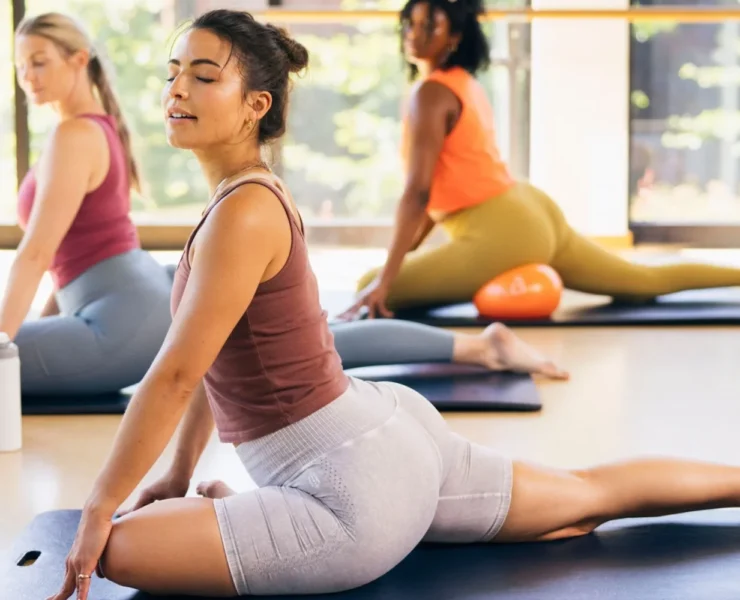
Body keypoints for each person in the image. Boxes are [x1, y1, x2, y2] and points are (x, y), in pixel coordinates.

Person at [48, 10, 740, 600]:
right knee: (588, 495)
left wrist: (100, 507)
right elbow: (210, 356)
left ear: (257, 105)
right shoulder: (245, 196)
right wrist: (175, 472)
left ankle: (286, 518)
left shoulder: (243, 213)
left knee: (118, 552)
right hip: (388, 432)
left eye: (204, 76)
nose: (177, 89)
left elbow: (170, 376)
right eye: (174, 72)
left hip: (349, 490)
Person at [341, 0, 740, 320]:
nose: (414, 34)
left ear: (455, 36)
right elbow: (435, 197)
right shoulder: (461, 82)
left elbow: (418, 193)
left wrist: (386, 279)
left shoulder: (430, 93)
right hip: (528, 209)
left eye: (430, 25)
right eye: (410, 24)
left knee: (368, 281)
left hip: (501, 232)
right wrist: (403, 263)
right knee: (641, 279)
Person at [8, 13, 172, 397]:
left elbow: (35, 254)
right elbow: (67, 259)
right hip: (127, 309)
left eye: (39, 61)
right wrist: (37, 326)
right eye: (20, 66)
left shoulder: (75, 134)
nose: (27, 75)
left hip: (120, 325)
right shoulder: (90, 127)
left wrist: (2, 347)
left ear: (79, 60)